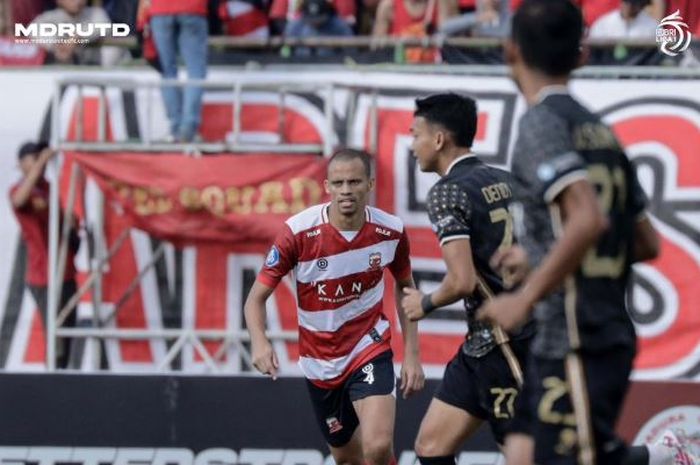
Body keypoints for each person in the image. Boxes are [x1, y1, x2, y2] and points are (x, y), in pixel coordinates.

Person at [476, 2, 695, 465]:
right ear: (582, 56)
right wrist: (538, 255)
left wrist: (524, 296)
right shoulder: (600, 132)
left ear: (509, 50)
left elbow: (588, 219)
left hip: (579, 336)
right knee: (521, 451)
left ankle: (664, 458)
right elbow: (643, 242)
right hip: (577, 333)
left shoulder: (541, 124)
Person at [244, 148, 425, 465]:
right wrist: (259, 341)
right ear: (326, 186)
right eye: (338, 183)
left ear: (369, 184)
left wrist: (412, 355)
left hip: (368, 345)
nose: (346, 191)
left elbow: (406, 287)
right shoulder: (297, 233)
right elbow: (255, 299)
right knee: (347, 458)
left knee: (379, 446)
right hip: (320, 362)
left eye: (354, 182)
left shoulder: (390, 231)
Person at [400, 93, 534, 465]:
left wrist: (423, 303)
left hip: (506, 342)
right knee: (430, 446)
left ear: (439, 140)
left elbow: (461, 280)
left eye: (415, 136)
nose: (413, 147)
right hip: (481, 345)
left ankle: (660, 453)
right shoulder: (504, 179)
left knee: (532, 458)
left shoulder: (447, 192)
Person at [9, 142, 78, 369]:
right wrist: (41, 163)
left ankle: (62, 376)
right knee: (55, 335)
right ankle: (53, 379)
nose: (40, 160)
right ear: (21, 164)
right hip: (44, 276)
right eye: (34, 157)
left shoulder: (50, 188)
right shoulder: (19, 190)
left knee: (67, 333)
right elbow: (19, 200)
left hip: (65, 271)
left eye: (40, 156)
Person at [140, 0, 208, 142]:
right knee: (195, 72)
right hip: (192, 8)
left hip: (160, 9)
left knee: (167, 72)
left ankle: (175, 129)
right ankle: (188, 131)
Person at [31, 0, 126, 66]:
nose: (78, 1)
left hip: (95, 71)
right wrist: (57, 45)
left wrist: (78, 37)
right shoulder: (50, 17)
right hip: (61, 70)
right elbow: (34, 30)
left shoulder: (96, 13)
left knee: (113, 50)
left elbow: (104, 25)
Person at [588, 0, 657, 40]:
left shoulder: (652, 26)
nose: (630, 7)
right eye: (627, 2)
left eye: (634, 4)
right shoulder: (603, 24)